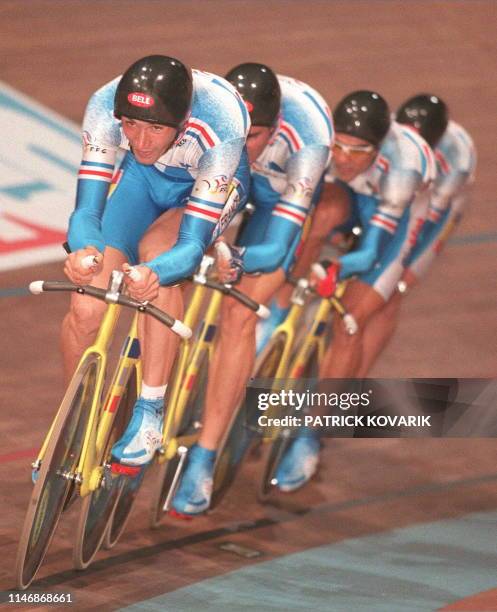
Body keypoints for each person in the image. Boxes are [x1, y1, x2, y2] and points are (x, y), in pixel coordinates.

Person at [62, 55, 250, 467]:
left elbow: (189, 245)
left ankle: (150, 411)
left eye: (156, 128)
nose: (141, 140)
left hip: (203, 192)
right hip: (142, 182)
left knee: (157, 258)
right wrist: (83, 252)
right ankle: (72, 423)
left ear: (181, 123)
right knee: (85, 304)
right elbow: (87, 213)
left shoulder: (221, 123)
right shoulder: (104, 105)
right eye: (131, 125)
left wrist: (157, 273)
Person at [170, 62, 333, 515]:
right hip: (227, 179)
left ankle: (205, 454)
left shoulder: (307, 141)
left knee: (238, 315)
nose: (248, 145)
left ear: (277, 129)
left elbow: (278, 246)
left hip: (282, 194)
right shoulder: (215, 118)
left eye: (256, 136)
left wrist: (236, 258)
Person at [272, 90, 437, 492]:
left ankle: (312, 435)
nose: (344, 157)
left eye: (358, 150)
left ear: (378, 150)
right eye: (339, 146)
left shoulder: (403, 168)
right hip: (349, 197)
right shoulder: (319, 143)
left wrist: (333, 267)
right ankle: (275, 320)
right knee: (317, 216)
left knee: (348, 323)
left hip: (391, 220)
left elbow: (368, 255)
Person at [355, 94, 476, 376]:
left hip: (439, 203)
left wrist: (398, 267)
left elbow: (426, 224)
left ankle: (355, 379)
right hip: (398, 187)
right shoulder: (391, 131)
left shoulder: (455, 161)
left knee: (394, 290)